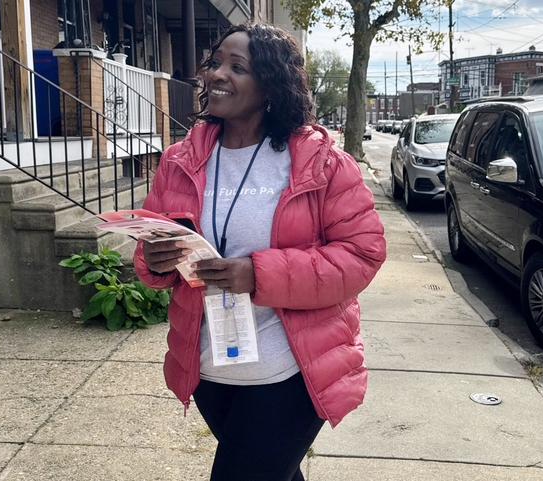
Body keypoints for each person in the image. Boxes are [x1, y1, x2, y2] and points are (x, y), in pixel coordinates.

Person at [133, 22, 386, 481]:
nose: (216, 74)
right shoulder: (179, 160)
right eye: (214, 63)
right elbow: (156, 240)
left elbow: (362, 255)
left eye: (237, 66)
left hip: (291, 373)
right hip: (210, 370)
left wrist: (259, 274)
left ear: (271, 83)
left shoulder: (322, 162)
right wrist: (154, 262)